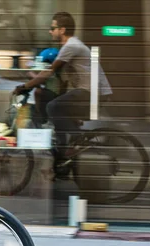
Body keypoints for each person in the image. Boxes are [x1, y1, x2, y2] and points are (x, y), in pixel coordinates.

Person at [14, 11, 112, 162]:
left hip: (93, 94)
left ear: (62, 30)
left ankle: (74, 139)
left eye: (52, 28)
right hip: (87, 92)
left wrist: (25, 86)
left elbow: (49, 71)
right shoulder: (69, 48)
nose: (50, 31)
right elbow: (63, 81)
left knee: (53, 107)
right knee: (52, 102)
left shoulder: (71, 46)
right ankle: (63, 158)